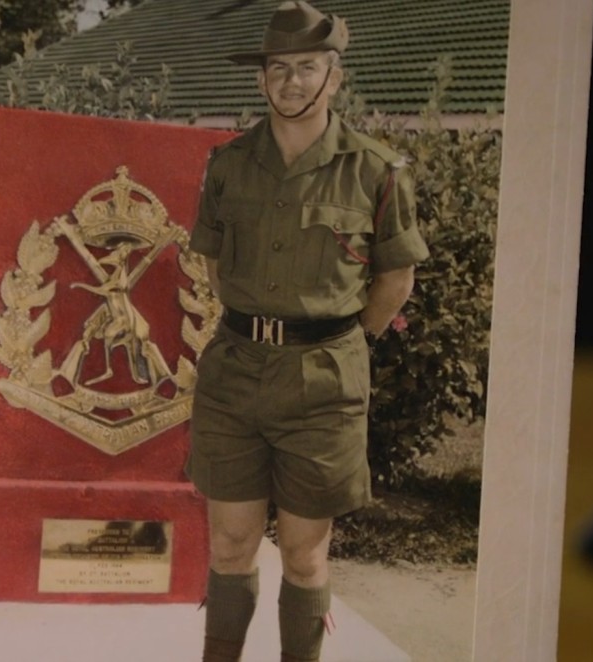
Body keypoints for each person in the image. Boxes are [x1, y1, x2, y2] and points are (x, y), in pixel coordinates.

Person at [184, 2, 429, 661]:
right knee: (231, 544)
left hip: (322, 382)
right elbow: (213, 263)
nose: (291, 81)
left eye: (308, 67)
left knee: (303, 552)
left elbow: (393, 283)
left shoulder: (376, 172)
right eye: (279, 68)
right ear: (262, 78)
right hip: (235, 374)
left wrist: (333, 345)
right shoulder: (229, 165)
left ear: (335, 76)